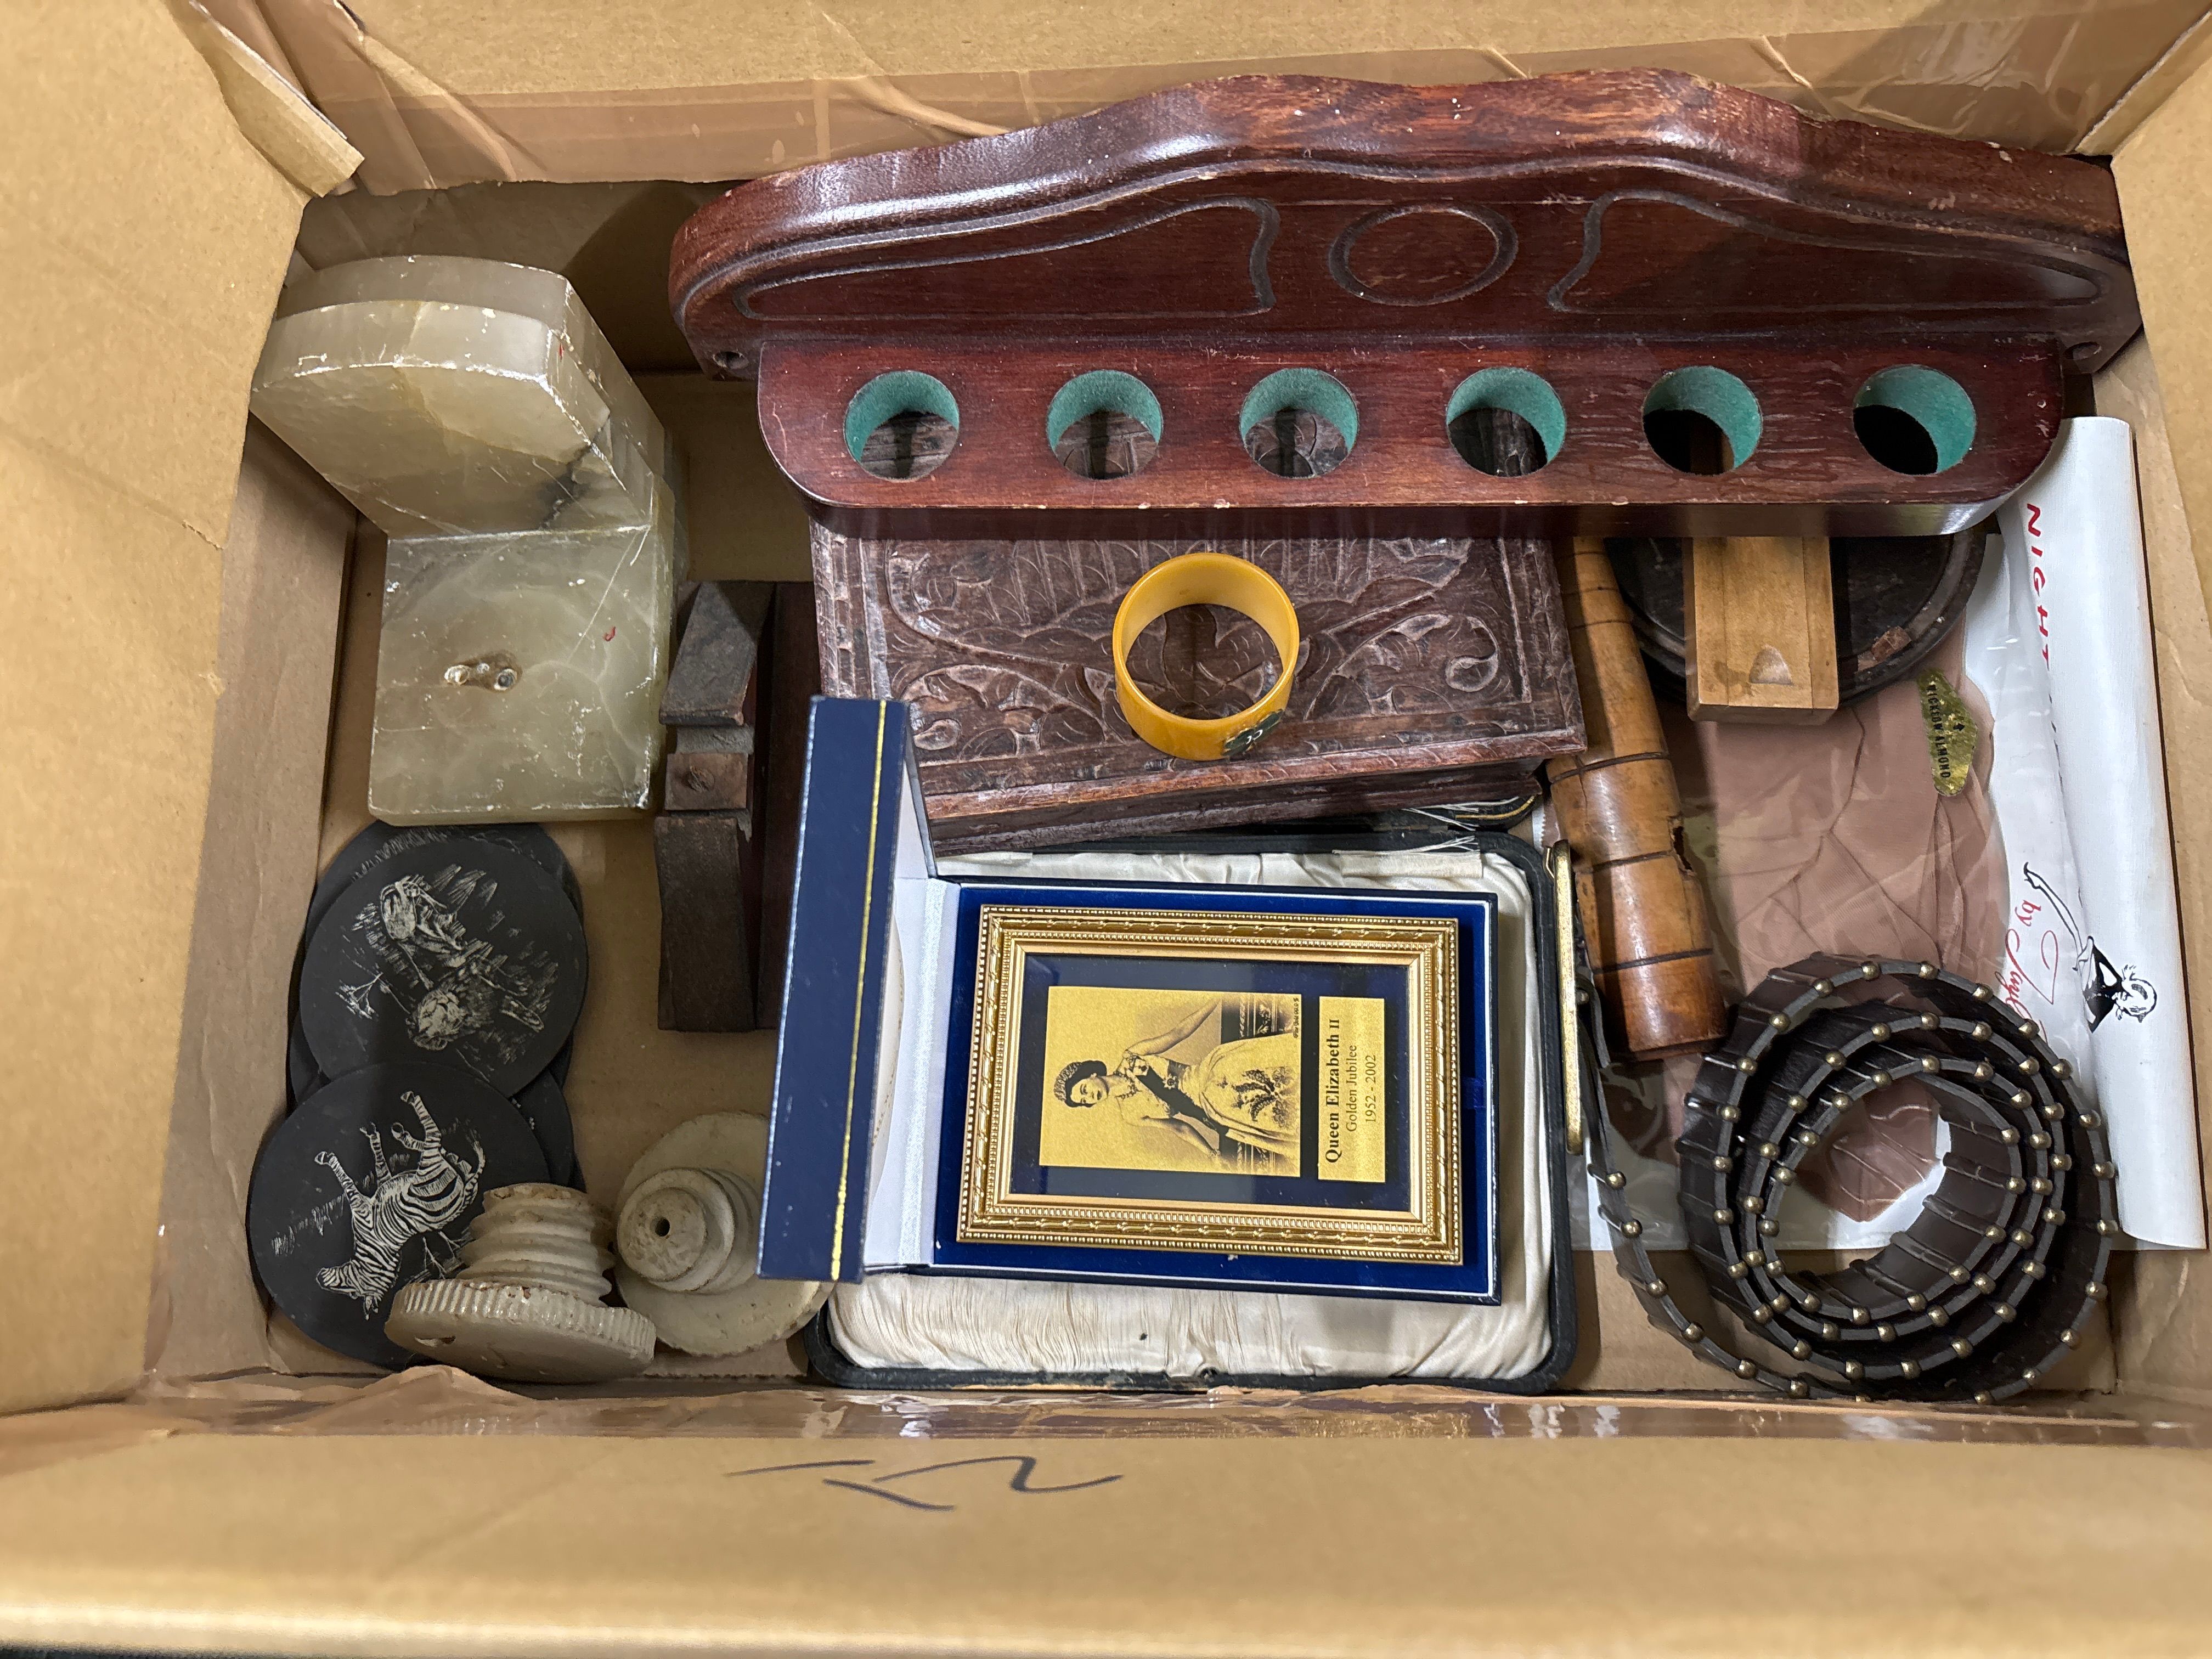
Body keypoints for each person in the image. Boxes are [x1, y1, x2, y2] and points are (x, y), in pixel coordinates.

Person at [1054, 994, 1300, 1167]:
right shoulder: (1131, 1115)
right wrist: (1211, 1154)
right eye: (1085, 1101)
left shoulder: (1133, 1056)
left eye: (1083, 1089)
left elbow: (1179, 1033)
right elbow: (1180, 1128)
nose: (1089, 1097)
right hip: (1214, 1112)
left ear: (1091, 1074)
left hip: (1212, 1073)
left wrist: (1214, 1001)